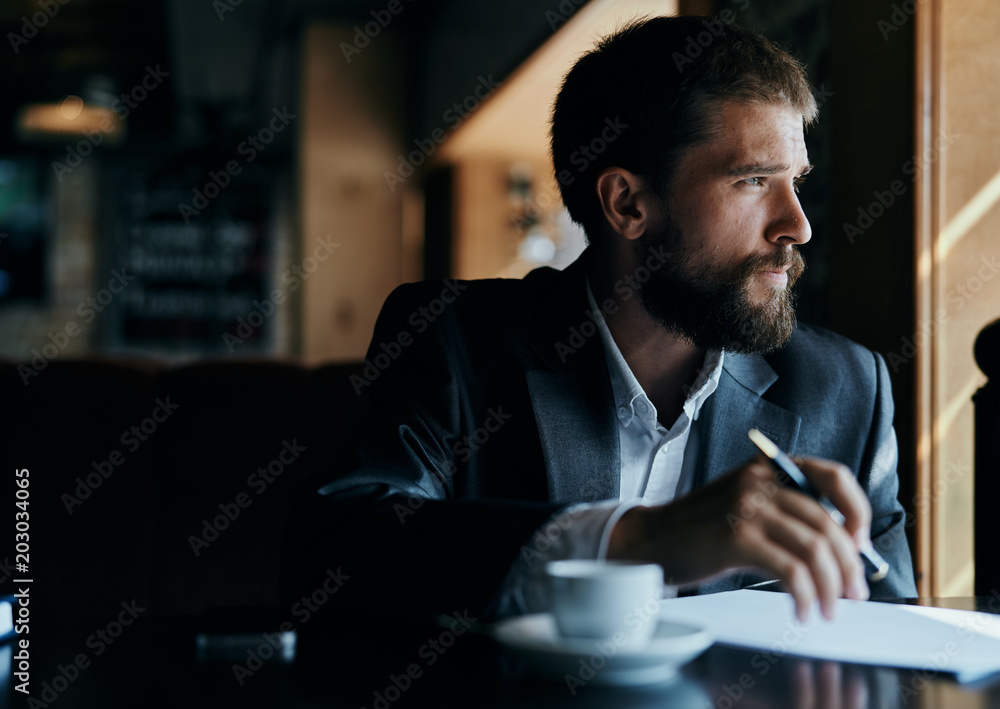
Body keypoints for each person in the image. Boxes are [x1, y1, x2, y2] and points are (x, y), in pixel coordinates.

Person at [281, 15, 917, 627]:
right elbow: (343, 551)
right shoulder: (453, 341)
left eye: (796, 182)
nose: (798, 225)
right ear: (628, 204)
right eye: (754, 180)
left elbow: (895, 642)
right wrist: (645, 539)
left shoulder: (848, 390)